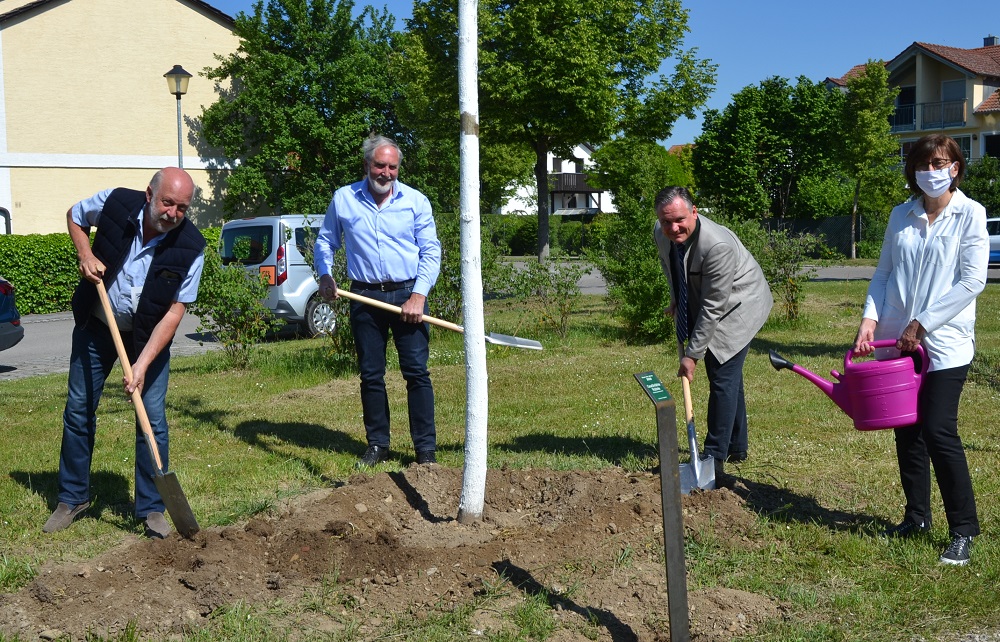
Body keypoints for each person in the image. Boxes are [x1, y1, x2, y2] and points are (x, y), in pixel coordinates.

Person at [44, 167, 206, 538]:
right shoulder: (116, 202)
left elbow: (174, 312)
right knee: (79, 410)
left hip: (148, 336)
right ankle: (73, 497)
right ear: (149, 195)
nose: (173, 214)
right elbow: (75, 215)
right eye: (167, 203)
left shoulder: (191, 246)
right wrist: (84, 253)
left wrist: (143, 364)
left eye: (182, 208)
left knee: (153, 419)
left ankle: (151, 508)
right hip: (97, 325)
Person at [853, 134, 988, 566]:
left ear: (956, 167)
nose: (934, 170)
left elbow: (972, 281)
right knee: (906, 430)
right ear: (913, 170)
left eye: (943, 162)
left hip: (944, 345)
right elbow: (884, 272)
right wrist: (870, 320)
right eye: (925, 163)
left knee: (938, 430)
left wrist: (922, 323)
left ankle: (963, 529)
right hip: (897, 342)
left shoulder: (971, 214)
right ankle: (917, 517)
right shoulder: (901, 215)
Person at [314, 135, 442, 468]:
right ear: (367, 165)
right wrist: (325, 275)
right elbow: (325, 242)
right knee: (371, 375)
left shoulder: (415, 201)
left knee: (416, 373)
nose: (385, 173)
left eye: (392, 167)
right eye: (379, 165)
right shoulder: (344, 199)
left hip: (408, 296)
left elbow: (431, 251)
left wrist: (419, 295)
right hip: (364, 296)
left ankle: (425, 451)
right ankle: (378, 445)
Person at [653, 186, 773, 478]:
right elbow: (672, 269)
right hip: (710, 301)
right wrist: (675, 299)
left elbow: (713, 307)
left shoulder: (716, 245)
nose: (673, 227)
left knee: (721, 374)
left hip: (740, 305)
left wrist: (692, 355)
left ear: (694, 212)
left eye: (680, 219)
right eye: (666, 221)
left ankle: (714, 458)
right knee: (728, 377)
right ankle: (736, 446)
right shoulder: (661, 231)